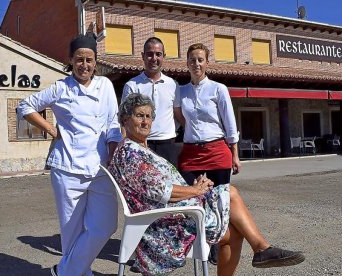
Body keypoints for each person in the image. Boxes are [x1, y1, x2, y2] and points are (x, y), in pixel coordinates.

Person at [110, 93, 305, 276]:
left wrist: (195, 187)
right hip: (163, 223)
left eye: (148, 116)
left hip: (172, 212)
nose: (145, 121)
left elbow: (159, 186)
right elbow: (160, 191)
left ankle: (261, 248)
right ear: (125, 120)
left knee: (231, 207)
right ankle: (262, 248)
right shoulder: (130, 153)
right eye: (139, 116)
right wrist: (195, 190)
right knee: (231, 201)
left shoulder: (138, 149)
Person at [174, 43, 305, 270]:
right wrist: (194, 133)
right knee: (198, 200)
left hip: (217, 152)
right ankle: (225, 242)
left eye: (200, 59)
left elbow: (230, 123)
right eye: (192, 60)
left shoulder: (218, 89)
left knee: (222, 203)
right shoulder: (180, 91)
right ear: (187, 63)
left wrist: (235, 154)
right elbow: (179, 117)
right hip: (191, 154)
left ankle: (220, 247)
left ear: (207, 63)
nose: (196, 64)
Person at [17, 33, 122, 276]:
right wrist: (52, 130)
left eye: (89, 60)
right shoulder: (61, 88)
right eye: (79, 60)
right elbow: (25, 106)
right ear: (70, 60)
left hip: (100, 168)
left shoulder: (105, 85)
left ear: (96, 62)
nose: (84, 65)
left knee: (106, 225)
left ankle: (64, 272)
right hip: (67, 169)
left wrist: (115, 149)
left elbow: (112, 123)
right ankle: (80, 272)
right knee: (71, 231)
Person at [121, 37, 179, 166]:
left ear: (164, 56)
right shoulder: (132, 85)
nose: (154, 58)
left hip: (167, 145)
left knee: (172, 184)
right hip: (140, 144)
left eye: (158, 54)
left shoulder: (173, 85)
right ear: (143, 56)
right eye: (149, 54)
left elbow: (178, 114)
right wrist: (124, 145)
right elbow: (125, 120)